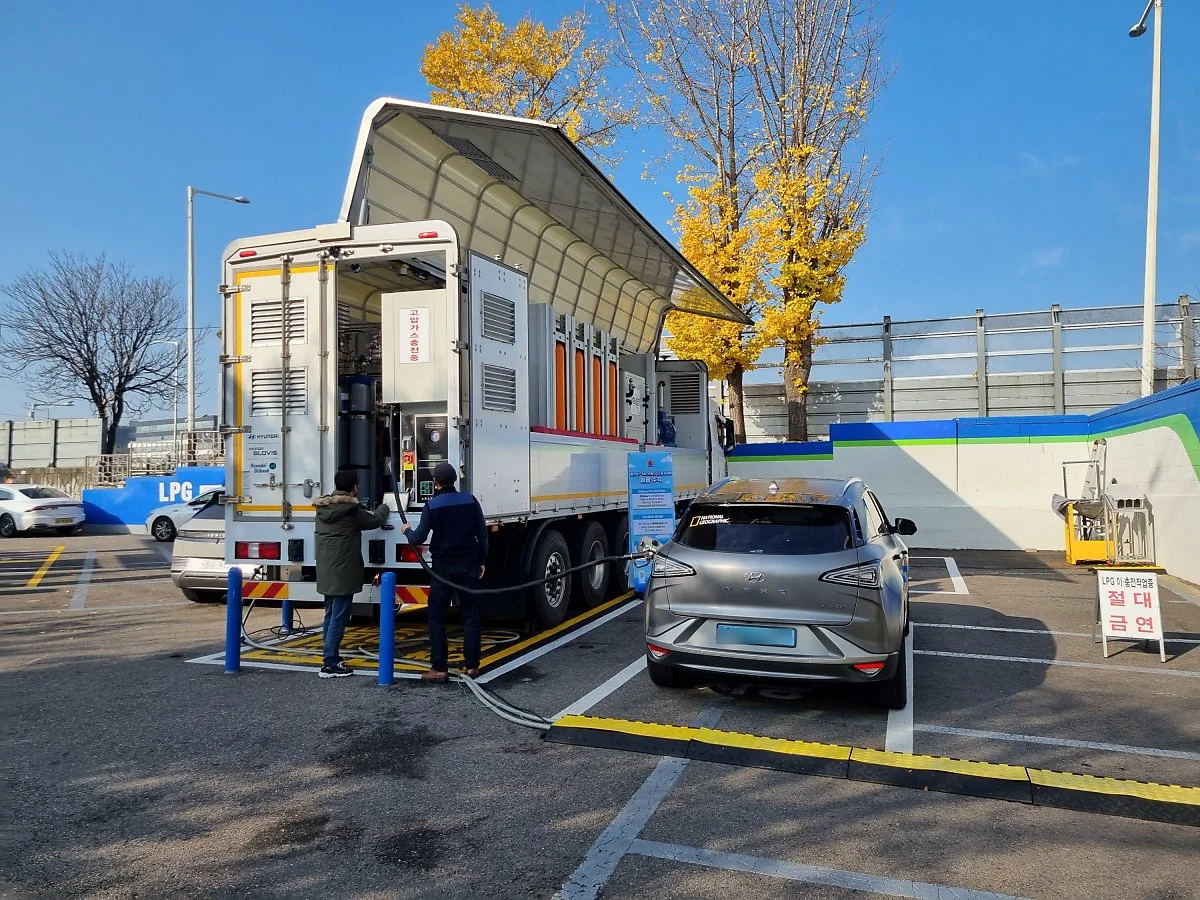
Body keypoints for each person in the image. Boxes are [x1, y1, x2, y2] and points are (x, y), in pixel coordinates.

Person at [401, 461, 488, 682]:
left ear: (435, 482)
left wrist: (407, 531)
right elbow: (482, 535)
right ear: (454, 480)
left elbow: (419, 537)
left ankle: (439, 668)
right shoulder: (471, 500)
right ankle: (472, 666)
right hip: (468, 564)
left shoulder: (432, 505)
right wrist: (481, 561)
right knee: (470, 616)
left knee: (437, 617)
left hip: (442, 569)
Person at [314, 469, 390, 678]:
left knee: (330, 614)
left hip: (327, 569)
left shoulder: (323, 507)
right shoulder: (350, 510)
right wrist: (385, 506)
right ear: (354, 487)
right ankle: (330, 662)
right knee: (339, 616)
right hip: (344, 571)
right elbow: (375, 521)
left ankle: (329, 655)